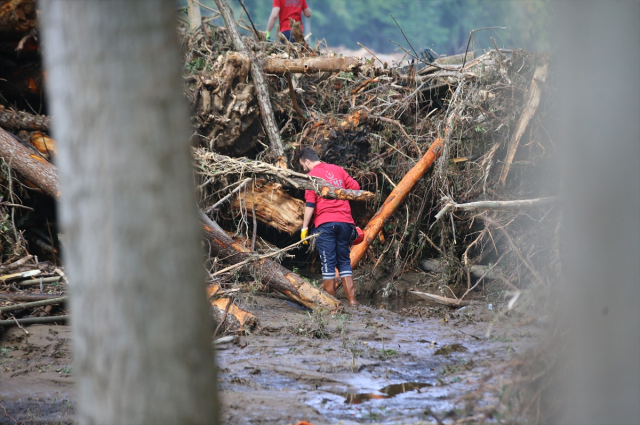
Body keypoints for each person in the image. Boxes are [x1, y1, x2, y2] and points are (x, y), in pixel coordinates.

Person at [298, 147, 359, 306]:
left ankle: (331, 305)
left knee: (328, 264)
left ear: (307, 161)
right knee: (344, 262)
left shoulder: (311, 176)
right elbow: (356, 188)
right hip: (345, 223)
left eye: (303, 166)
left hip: (325, 224)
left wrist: (304, 228)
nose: (304, 170)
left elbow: (310, 204)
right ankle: (353, 302)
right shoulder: (338, 170)